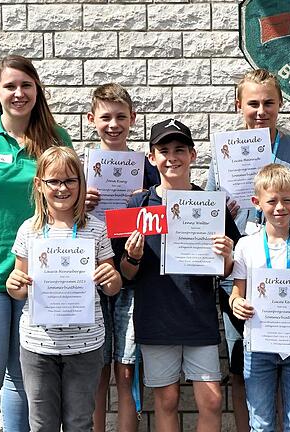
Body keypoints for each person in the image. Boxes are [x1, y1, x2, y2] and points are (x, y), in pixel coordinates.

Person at [206, 68, 290, 431]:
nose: (261, 110)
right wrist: (221, 214)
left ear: (280, 104)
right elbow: (205, 209)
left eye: (269, 103)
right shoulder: (225, 153)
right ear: (239, 105)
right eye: (253, 103)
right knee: (243, 365)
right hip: (242, 274)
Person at [0, 55, 71, 431]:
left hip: (39, 278)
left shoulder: (56, 138)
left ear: (37, 90)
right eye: (9, 86)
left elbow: (68, 195)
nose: (18, 93)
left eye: (26, 85)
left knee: (21, 377)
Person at [118, 118, 240, 432]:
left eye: (180, 149)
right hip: (156, 317)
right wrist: (133, 256)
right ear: (151, 157)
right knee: (167, 400)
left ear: (193, 155)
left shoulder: (211, 206)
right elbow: (125, 274)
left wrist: (226, 256)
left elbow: (226, 271)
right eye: (164, 150)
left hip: (198, 316)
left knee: (212, 401)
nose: (172, 157)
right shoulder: (139, 205)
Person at [5, 146, 121, 431]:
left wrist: (110, 276)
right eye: (53, 181)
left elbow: (113, 287)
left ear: (81, 183)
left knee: (79, 422)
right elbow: (19, 288)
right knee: (42, 423)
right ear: (39, 185)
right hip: (37, 345)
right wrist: (13, 284)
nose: (62, 188)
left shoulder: (96, 228)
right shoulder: (28, 230)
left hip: (85, 345)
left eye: (70, 180)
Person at [229, 163, 290, 431]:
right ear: (257, 202)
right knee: (261, 423)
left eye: (287, 200)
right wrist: (236, 303)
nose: (279, 207)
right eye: (271, 201)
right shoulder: (245, 245)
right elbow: (237, 291)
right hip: (258, 344)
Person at [86, 83, 158, 432]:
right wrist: (78, 204)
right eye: (105, 117)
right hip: (93, 276)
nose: (113, 125)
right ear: (91, 120)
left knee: (127, 368)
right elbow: (59, 212)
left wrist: (142, 202)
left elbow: (164, 217)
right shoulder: (82, 169)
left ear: (133, 119)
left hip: (134, 275)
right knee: (97, 369)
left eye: (120, 117)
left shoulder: (147, 169)